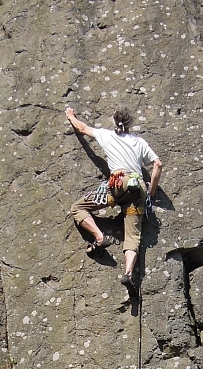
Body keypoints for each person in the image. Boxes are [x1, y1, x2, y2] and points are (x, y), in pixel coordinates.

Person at [66, 105, 163, 290]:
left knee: (77, 208)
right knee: (133, 235)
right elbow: (158, 164)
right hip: (137, 190)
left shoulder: (106, 135)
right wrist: (151, 192)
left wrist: (70, 116)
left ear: (114, 121)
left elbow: (82, 129)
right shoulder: (139, 142)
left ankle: (99, 237)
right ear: (130, 123)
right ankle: (128, 273)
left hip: (116, 185)